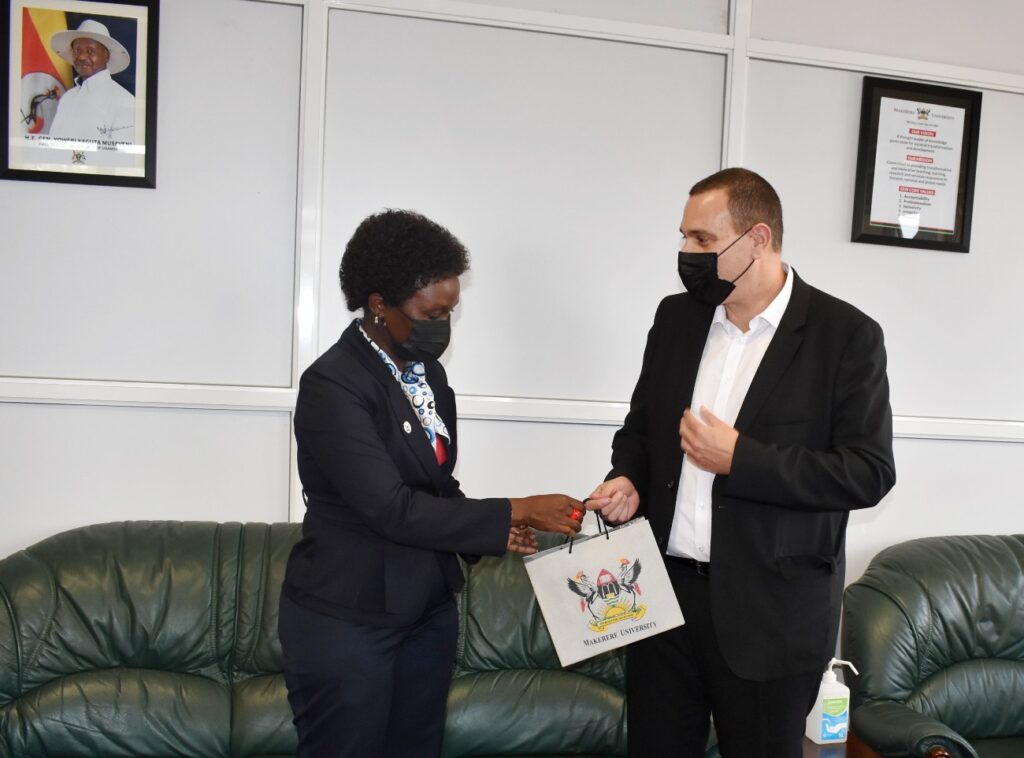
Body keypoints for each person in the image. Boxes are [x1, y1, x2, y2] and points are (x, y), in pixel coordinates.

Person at [587, 168, 896, 757]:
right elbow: (640, 430)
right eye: (683, 236)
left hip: (771, 617)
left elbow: (868, 472)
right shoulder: (675, 318)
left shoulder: (846, 336)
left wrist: (741, 460)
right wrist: (626, 477)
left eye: (702, 239)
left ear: (758, 239)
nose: (685, 252)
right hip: (664, 601)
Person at [279, 209, 585, 757]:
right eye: (432, 312)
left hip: (425, 614)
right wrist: (513, 509)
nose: (442, 324)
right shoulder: (333, 384)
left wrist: (492, 530)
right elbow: (389, 508)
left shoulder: (428, 378)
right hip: (349, 620)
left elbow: (433, 487)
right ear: (378, 303)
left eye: (451, 311)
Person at [48, 19, 135, 143]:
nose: (81, 57)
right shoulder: (67, 98)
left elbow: (122, 158)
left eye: (90, 51)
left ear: (106, 56)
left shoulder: (125, 102)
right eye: (77, 51)